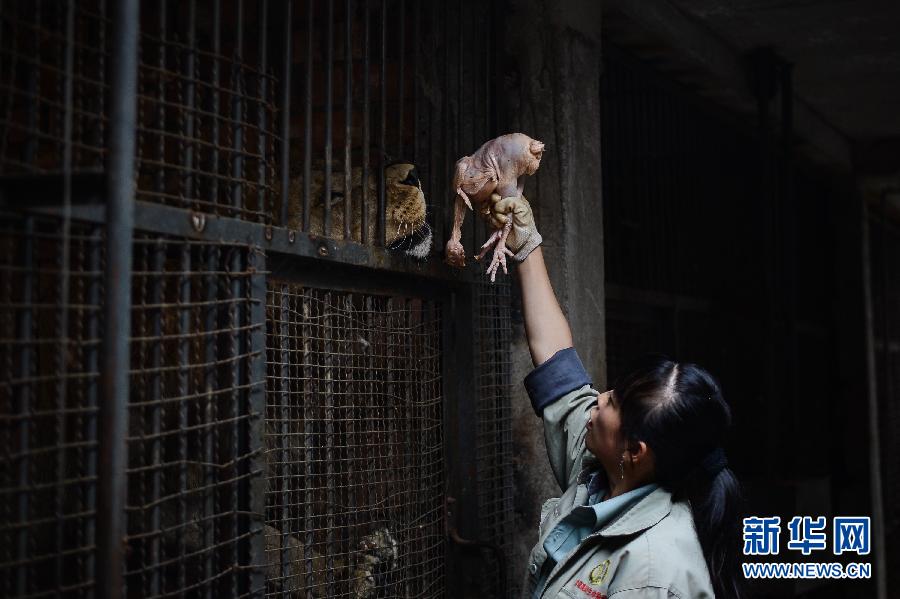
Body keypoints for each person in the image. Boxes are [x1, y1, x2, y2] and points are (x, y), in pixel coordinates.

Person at [488, 194, 745, 599]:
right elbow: (559, 371)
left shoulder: (655, 572)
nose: (600, 396)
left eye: (615, 402)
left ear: (635, 451)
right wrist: (526, 241)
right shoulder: (605, 473)